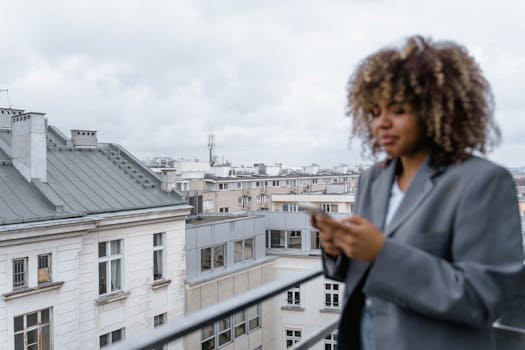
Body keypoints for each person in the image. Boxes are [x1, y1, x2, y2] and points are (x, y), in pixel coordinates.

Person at [312, 35, 523, 350]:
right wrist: (338, 250)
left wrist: (382, 253)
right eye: (373, 112)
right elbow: (364, 273)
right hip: (365, 336)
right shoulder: (373, 179)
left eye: (397, 110)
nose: (381, 123)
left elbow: (484, 299)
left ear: (436, 110)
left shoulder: (484, 182)